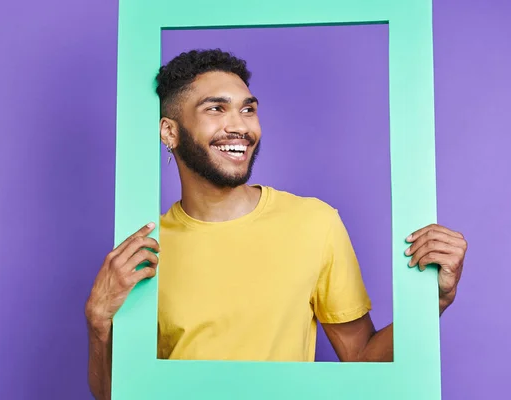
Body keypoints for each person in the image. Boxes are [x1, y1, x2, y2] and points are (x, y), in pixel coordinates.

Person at [84, 49, 468, 399]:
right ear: (169, 131)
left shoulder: (314, 223)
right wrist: (99, 323)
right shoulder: (145, 250)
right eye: (216, 109)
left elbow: (361, 360)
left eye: (248, 109)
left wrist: (432, 302)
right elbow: (115, 395)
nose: (240, 126)